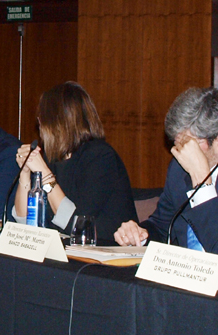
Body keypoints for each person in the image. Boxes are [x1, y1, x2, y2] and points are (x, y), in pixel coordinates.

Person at [113, 87, 218, 264]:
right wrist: (140, 234)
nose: (180, 150)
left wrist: (202, 181)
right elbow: (163, 226)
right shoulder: (179, 167)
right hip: (190, 280)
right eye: (177, 142)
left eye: (189, 143)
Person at [13, 82, 135, 244]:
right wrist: (25, 173)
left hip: (105, 253)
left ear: (56, 121)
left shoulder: (100, 156)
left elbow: (77, 224)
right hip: (67, 251)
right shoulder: (52, 158)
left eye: (42, 117)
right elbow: (23, 222)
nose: (39, 123)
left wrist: (45, 174)